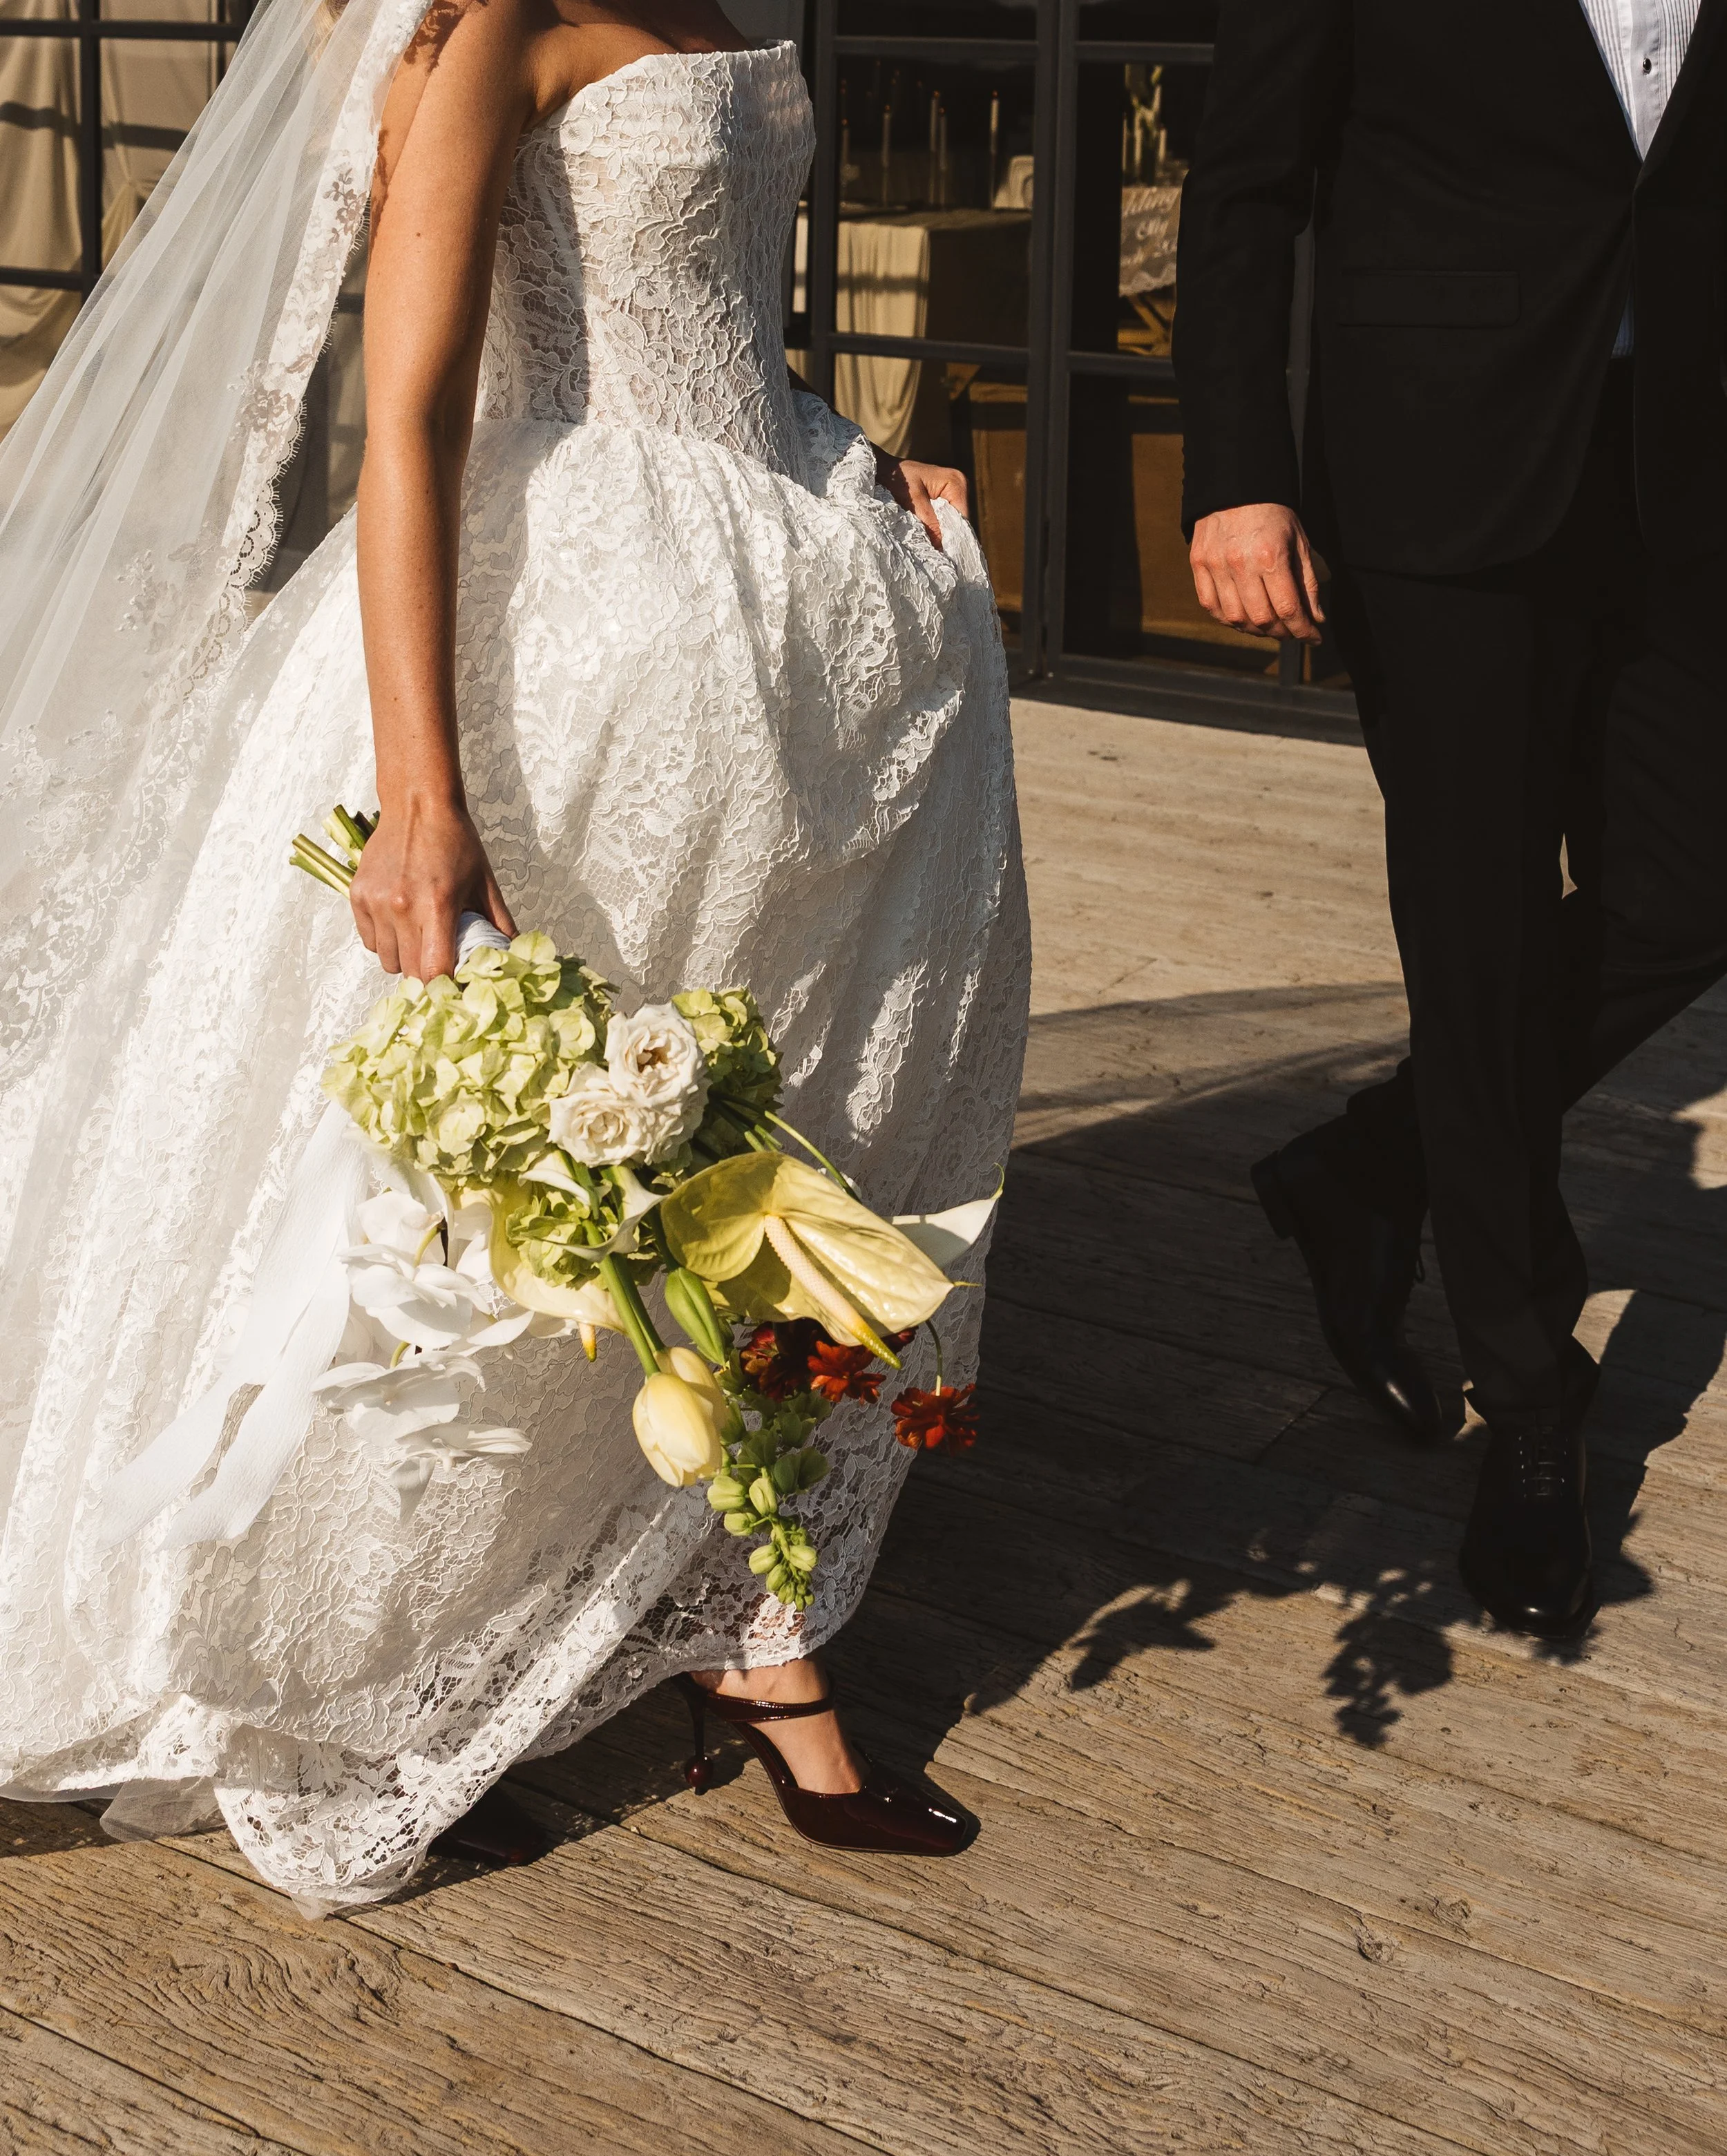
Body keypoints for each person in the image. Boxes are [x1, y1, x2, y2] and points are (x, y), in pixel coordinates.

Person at [0, 0, 1029, 1912]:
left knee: (756, 1135)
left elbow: (709, 315)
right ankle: (366, 1666)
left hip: (771, 615)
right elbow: (407, 412)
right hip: (573, 639)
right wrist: (415, 788)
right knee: (493, 1203)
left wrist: (846, 454)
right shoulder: (486, 24)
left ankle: (750, 1623)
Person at [1174, 1, 1726, 1634]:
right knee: (1473, 933)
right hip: (1437, 475)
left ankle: (1372, 1163)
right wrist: (1234, 467)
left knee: (1692, 883)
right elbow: (1244, 184)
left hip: (1680, 479)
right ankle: (1529, 1393)